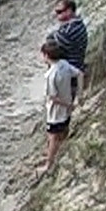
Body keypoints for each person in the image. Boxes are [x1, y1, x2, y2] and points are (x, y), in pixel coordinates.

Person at [40, 39, 84, 174]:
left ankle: (49, 164)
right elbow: (79, 74)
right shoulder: (64, 64)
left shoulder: (50, 75)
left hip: (55, 112)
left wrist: (68, 104)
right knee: (63, 131)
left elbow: (52, 97)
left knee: (52, 136)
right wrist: (79, 95)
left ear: (47, 55)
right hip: (66, 109)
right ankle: (58, 152)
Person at [48, 0, 88, 100]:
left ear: (70, 10)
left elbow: (52, 43)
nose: (57, 15)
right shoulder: (79, 25)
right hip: (74, 72)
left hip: (68, 76)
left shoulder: (69, 30)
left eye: (60, 12)